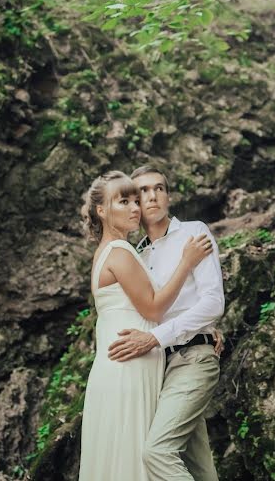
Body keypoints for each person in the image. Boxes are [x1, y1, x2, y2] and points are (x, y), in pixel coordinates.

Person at [78, 170, 213, 481]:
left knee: (126, 454)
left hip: (123, 360)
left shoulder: (111, 252)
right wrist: (187, 262)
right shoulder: (121, 252)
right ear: (102, 211)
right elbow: (152, 306)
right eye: (123, 201)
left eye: (133, 200)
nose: (135, 207)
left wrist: (201, 325)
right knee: (140, 456)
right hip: (130, 364)